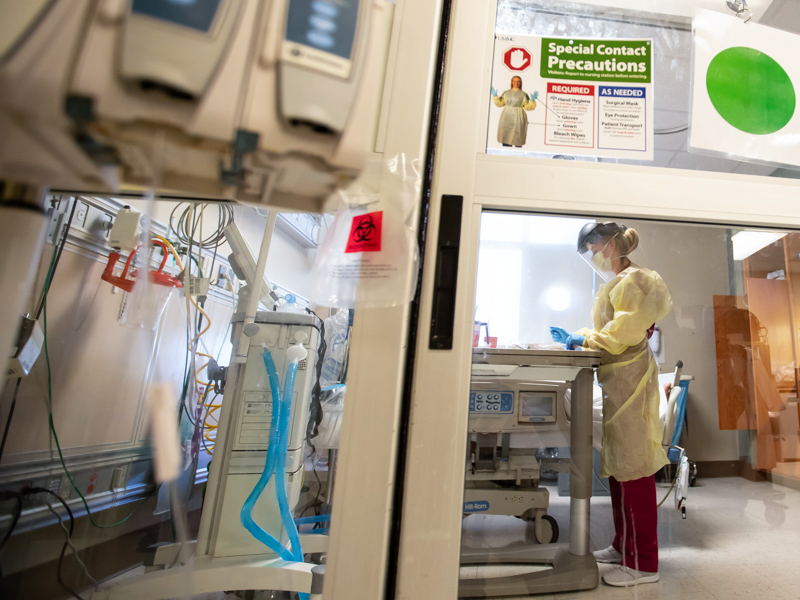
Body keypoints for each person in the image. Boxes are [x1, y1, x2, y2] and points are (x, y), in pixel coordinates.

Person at [550, 222, 673, 587]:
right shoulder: (618, 283)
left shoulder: (638, 280)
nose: (594, 254)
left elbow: (622, 334)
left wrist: (583, 339)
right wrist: (583, 336)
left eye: (595, 245)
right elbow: (617, 329)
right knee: (621, 469)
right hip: (619, 382)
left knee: (634, 471)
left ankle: (644, 564)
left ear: (613, 242)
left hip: (631, 384)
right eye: (589, 248)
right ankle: (623, 547)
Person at [491, 76, 537, 147]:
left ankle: (517, 149)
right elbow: (500, 103)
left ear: (520, 83)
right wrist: (495, 96)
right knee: (506, 133)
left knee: (518, 134)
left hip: (519, 115)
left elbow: (528, 107)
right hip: (507, 115)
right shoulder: (506, 93)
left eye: (518, 81)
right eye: (514, 81)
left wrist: (532, 100)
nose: (516, 83)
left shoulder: (523, 94)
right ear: (512, 82)